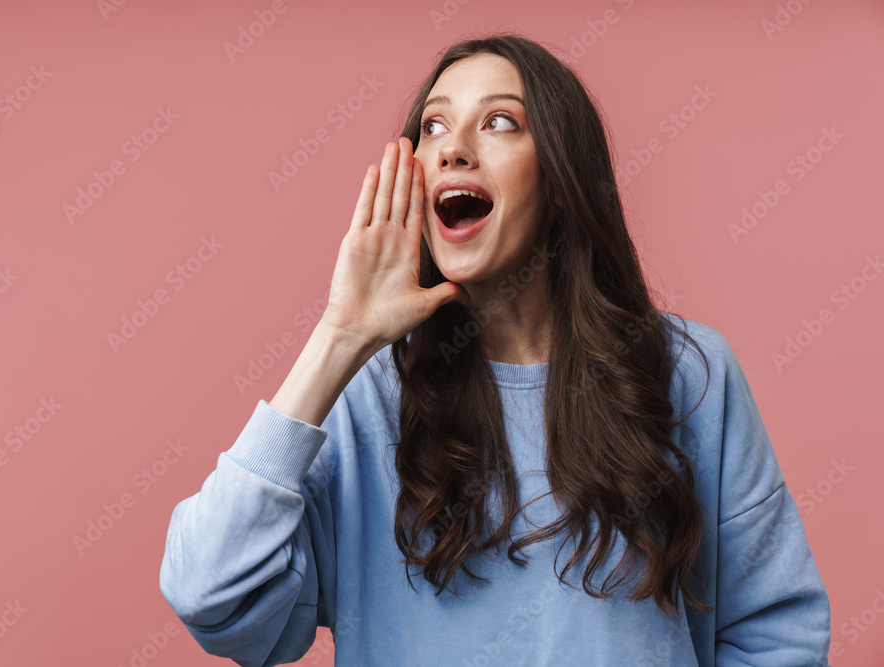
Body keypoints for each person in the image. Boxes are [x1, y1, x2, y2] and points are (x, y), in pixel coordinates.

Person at [159, 32, 831, 666]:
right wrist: (340, 337)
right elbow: (209, 592)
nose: (453, 149)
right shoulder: (362, 396)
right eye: (433, 127)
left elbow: (775, 630)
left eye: (500, 122)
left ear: (563, 179)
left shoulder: (690, 373)